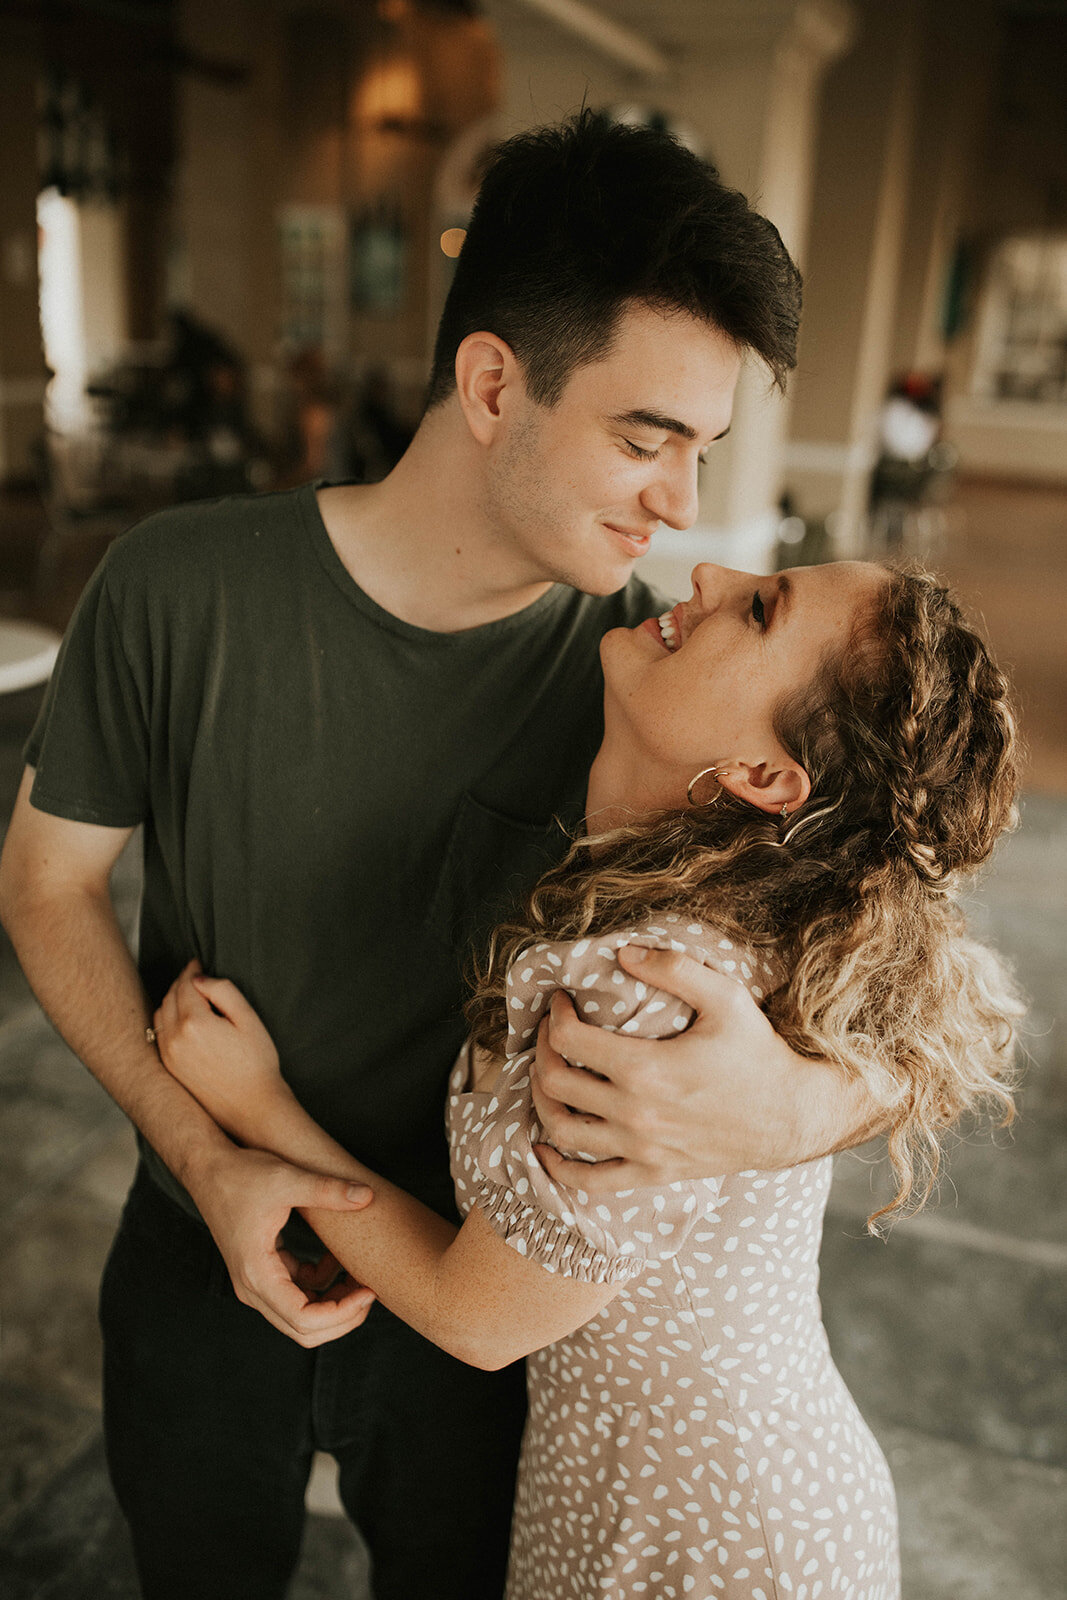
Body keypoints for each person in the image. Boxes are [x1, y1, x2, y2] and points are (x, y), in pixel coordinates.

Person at [1, 113, 876, 1599]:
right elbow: (46, 881)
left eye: (700, 450)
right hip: (194, 1231)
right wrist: (209, 1158)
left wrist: (805, 1098)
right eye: (641, 435)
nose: (680, 504)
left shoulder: (650, 678)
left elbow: (914, 949)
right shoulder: (177, 585)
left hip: (480, 1284)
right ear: (490, 384)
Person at [152, 557, 1022, 1600]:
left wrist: (251, 1102)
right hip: (641, 1489)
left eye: (757, 608)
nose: (707, 567)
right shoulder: (747, 892)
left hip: (700, 1537)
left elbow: (479, 1315)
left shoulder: (649, 988)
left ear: (763, 777)